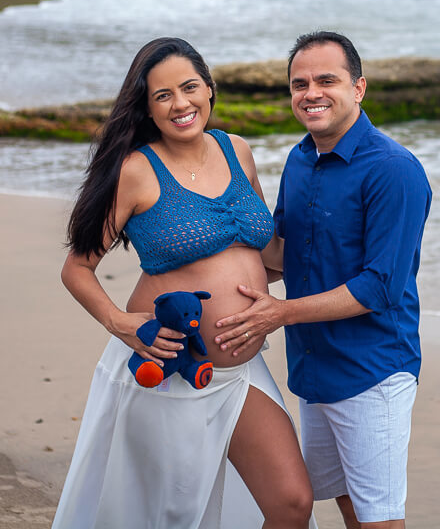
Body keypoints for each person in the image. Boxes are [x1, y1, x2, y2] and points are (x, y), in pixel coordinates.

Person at [51, 37, 314, 529]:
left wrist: (342, 232)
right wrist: (120, 323)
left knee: (292, 502)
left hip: (239, 373)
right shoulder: (135, 171)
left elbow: (265, 252)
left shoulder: (237, 150)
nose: (180, 103)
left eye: (190, 87)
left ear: (210, 90)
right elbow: (77, 267)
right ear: (147, 109)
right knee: (168, 518)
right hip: (167, 372)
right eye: (163, 95)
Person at [214, 31, 432, 529]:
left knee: (380, 518)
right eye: (299, 83)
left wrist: (279, 313)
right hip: (313, 369)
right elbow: (286, 256)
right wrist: (230, 209)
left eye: (326, 80)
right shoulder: (300, 158)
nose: (311, 92)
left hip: (373, 370)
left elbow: (380, 287)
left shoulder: (395, 170)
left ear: (359, 88)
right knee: (346, 501)